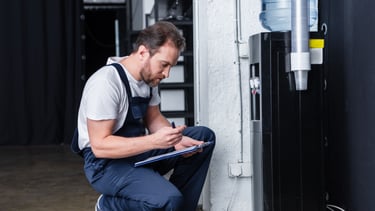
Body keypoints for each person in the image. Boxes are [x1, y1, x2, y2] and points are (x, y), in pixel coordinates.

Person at [72, 21, 215, 211]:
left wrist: (176, 139)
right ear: (142, 53)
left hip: (135, 152)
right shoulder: (105, 83)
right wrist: (156, 141)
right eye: (164, 65)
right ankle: (110, 205)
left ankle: (177, 207)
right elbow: (100, 146)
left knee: (203, 139)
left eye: (170, 67)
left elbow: (154, 119)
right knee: (168, 199)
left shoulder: (148, 80)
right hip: (104, 165)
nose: (166, 74)